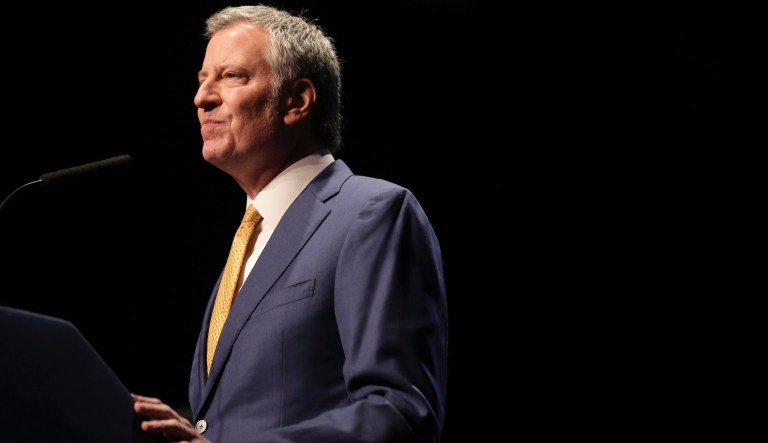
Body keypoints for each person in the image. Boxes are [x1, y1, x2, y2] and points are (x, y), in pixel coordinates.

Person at [132, 4, 449, 443]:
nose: (201, 98)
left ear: (297, 101)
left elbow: (399, 412)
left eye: (231, 76)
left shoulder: (371, 212)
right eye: (202, 80)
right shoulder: (247, 242)